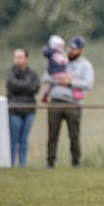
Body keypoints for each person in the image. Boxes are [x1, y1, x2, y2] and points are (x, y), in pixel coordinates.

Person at [43, 36, 94, 168]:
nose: (71, 51)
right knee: (52, 134)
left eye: (74, 49)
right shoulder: (59, 59)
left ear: (81, 50)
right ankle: (50, 162)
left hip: (73, 103)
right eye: (70, 47)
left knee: (74, 136)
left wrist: (70, 82)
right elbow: (46, 76)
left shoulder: (85, 65)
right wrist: (59, 80)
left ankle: (75, 163)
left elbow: (88, 84)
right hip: (55, 101)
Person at [6, 48, 40, 167]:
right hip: (14, 110)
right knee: (13, 139)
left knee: (24, 139)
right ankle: (11, 164)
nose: (18, 60)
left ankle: (22, 165)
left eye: (21, 57)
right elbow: (12, 86)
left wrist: (20, 87)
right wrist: (26, 86)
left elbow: (35, 88)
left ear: (26, 58)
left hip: (29, 110)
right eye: (16, 57)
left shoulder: (32, 73)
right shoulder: (10, 72)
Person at [42, 34, 81, 101]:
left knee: (51, 85)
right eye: (60, 46)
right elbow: (63, 61)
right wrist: (66, 57)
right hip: (57, 72)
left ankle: (45, 95)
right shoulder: (56, 54)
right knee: (70, 75)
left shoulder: (51, 54)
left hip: (53, 72)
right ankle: (76, 92)